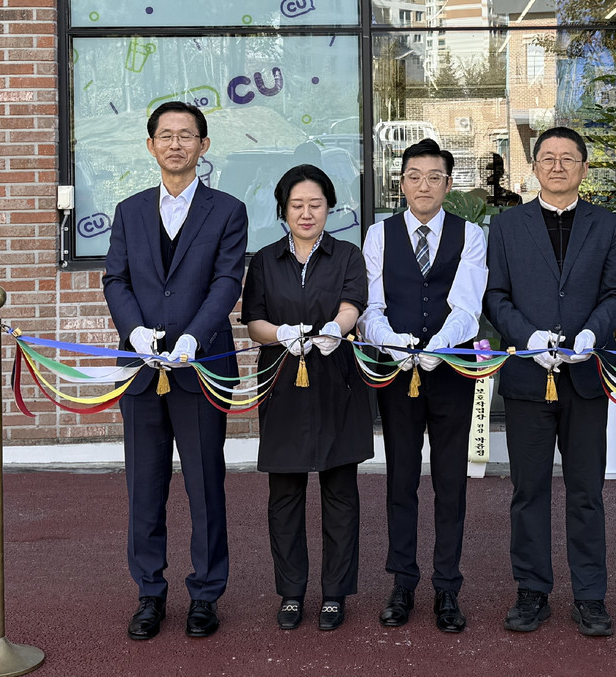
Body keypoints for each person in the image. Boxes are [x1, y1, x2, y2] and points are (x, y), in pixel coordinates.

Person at [103, 101, 248, 640]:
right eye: (165, 135)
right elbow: (115, 279)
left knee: (206, 484)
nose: (176, 144)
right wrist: (135, 331)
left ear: (203, 146)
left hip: (201, 366)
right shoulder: (129, 210)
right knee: (145, 484)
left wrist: (194, 335)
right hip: (140, 371)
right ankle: (149, 592)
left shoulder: (228, 211)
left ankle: (206, 593)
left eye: (187, 135)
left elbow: (227, 281)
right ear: (150, 146)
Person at [483, 127, 616, 637]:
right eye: (548, 158)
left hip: (585, 377)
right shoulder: (506, 226)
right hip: (528, 377)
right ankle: (531, 590)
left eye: (569, 159)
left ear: (584, 168)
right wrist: (528, 336)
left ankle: (590, 595)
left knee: (586, 490)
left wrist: (593, 330)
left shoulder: (608, 226)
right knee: (528, 490)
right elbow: (495, 297)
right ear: (535, 167)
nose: (558, 166)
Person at [357, 138, 488, 634]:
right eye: (414, 175)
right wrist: (395, 345)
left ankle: (448, 588)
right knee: (401, 480)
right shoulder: (379, 234)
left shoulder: (469, 234)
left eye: (434, 176)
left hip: (450, 372)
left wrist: (437, 347)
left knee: (451, 482)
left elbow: (469, 307)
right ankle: (402, 582)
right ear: (401, 182)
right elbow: (370, 308)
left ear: (448, 184)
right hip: (396, 375)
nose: (424, 185)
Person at [240, 164, 372, 632]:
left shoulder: (346, 256)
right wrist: (279, 333)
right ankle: (291, 592)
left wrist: (339, 326)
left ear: (329, 208)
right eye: (297, 205)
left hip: (338, 381)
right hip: (282, 383)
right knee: (285, 495)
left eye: (316, 204)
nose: (307, 213)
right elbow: (253, 321)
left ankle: (334, 593)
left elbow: (353, 304)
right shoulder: (265, 261)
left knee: (340, 492)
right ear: (282, 210)